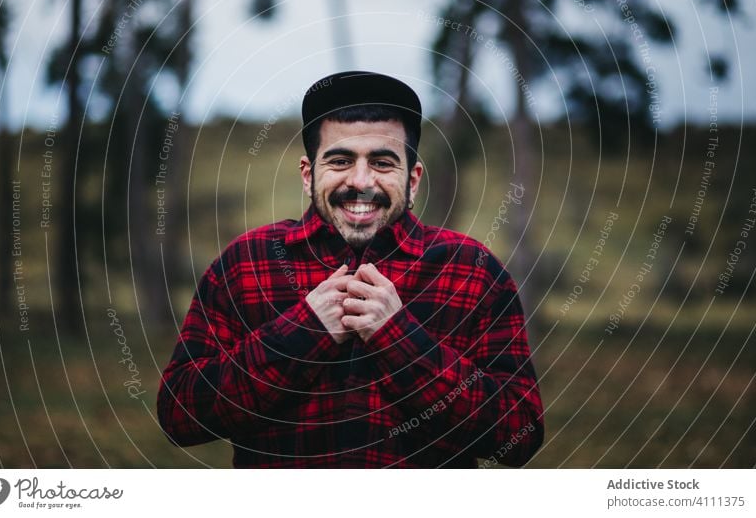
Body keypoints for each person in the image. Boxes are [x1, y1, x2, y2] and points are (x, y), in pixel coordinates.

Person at [157, 71, 544, 468]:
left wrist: (399, 339)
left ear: (412, 181)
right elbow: (180, 416)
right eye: (340, 160)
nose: (361, 181)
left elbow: (520, 435)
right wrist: (302, 333)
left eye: (382, 162)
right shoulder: (246, 264)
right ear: (309, 176)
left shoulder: (473, 270)